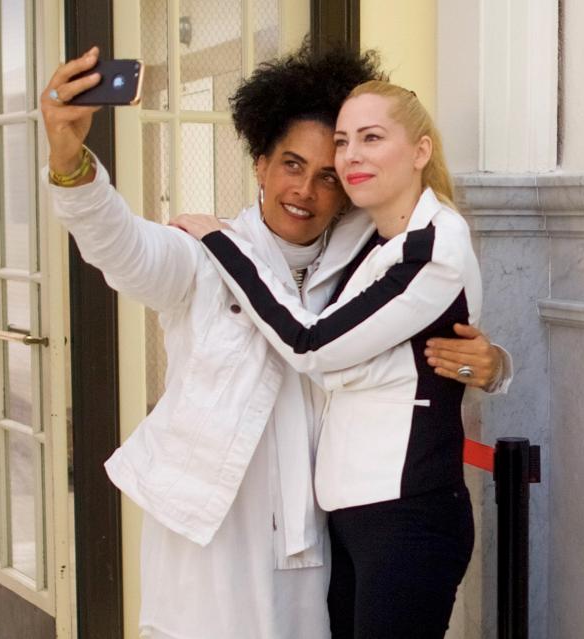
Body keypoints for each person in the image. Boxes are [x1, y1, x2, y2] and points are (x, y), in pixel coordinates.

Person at [41, 45, 507, 639]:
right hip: (213, 532)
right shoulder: (204, 255)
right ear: (260, 164)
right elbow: (120, 247)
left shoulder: (372, 264)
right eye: (291, 165)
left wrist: (492, 365)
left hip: (318, 533)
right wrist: (70, 159)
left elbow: (426, 342)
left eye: (327, 176)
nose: (306, 190)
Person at [173, 80, 486, 638]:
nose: (351, 157)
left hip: (407, 513)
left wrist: (223, 244)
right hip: (350, 516)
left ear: (420, 151)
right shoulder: (367, 236)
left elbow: (307, 343)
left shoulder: (432, 250)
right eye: (344, 142)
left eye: (371, 137)